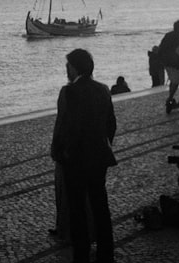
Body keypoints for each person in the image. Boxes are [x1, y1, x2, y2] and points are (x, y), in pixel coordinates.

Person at [50, 49, 116, 263]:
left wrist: (59, 152)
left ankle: (82, 254)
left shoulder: (69, 92)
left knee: (77, 208)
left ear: (75, 67)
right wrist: (104, 144)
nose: (66, 70)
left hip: (76, 159)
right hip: (99, 156)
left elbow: (64, 126)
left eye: (68, 66)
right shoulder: (103, 89)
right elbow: (111, 124)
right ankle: (107, 252)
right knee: (100, 204)